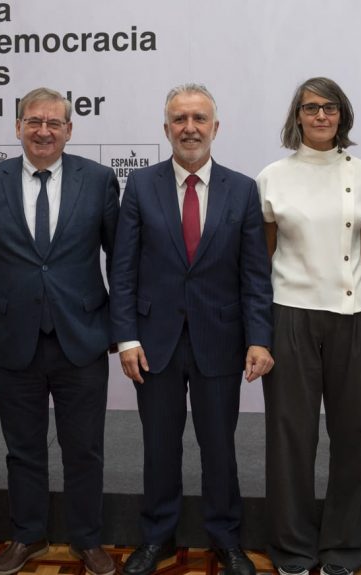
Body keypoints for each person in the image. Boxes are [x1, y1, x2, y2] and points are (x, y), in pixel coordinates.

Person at [109, 83, 274, 575]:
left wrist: (259, 337)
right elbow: (123, 269)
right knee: (159, 447)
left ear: (215, 127)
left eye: (199, 118)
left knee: (220, 447)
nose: (189, 128)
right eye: (179, 119)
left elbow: (255, 274)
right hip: (153, 343)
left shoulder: (242, 189)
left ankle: (225, 539)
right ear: (166, 129)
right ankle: (156, 538)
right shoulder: (141, 186)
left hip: (220, 341)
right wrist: (126, 337)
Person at [0, 87, 120, 575]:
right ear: (17, 127)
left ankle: (87, 539)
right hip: (13, 337)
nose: (43, 131)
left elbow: (120, 258)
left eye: (54, 123)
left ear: (69, 130)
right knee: (22, 448)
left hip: (83, 335)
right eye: (34, 121)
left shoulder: (98, 180)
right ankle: (27, 535)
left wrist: (122, 328)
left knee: (85, 448)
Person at [255, 77, 361, 575]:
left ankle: (345, 547)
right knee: (290, 436)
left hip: (355, 316)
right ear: (298, 116)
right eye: (311, 108)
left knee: (353, 434)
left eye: (330, 107)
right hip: (290, 312)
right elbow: (264, 257)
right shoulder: (272, 177)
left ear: (342, 114)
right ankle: (292, 549)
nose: (321, 116)